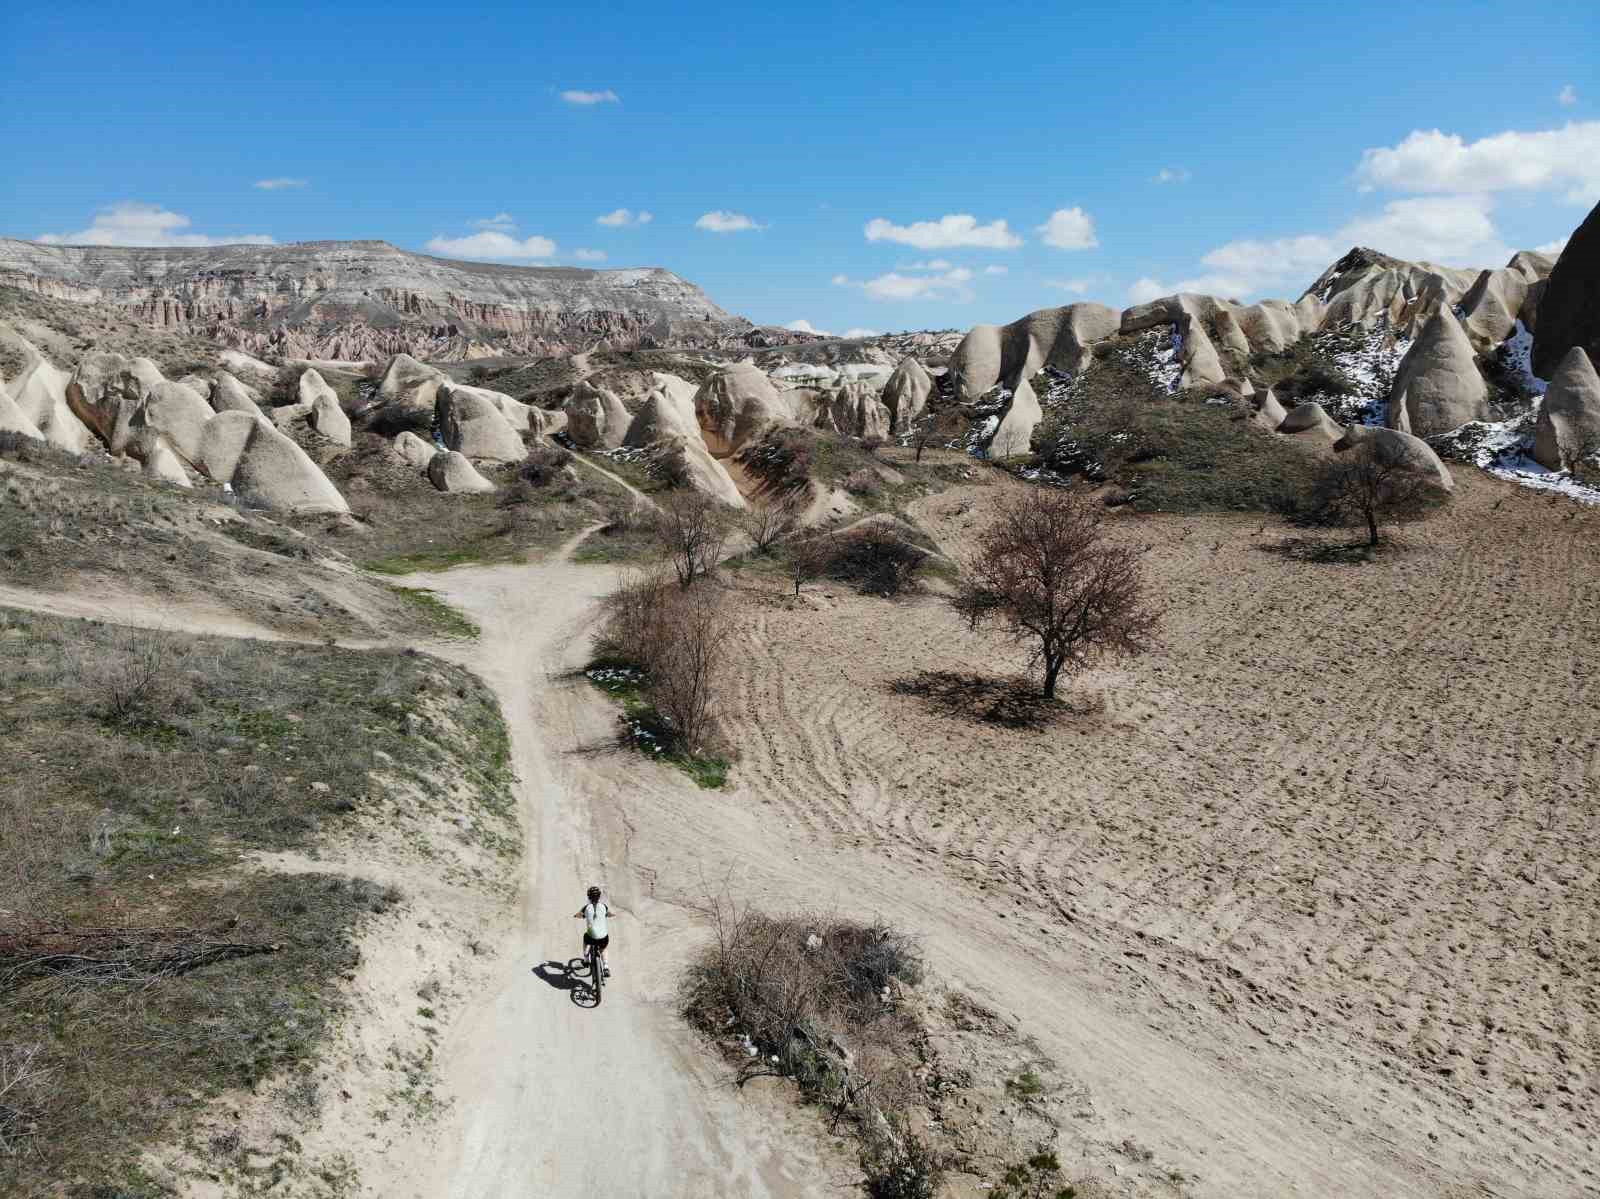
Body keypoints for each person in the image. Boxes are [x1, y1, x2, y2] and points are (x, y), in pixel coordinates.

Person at [575, 885, 619, 978]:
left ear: (589, 897)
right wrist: (612, 914)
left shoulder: (586, 908)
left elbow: (579, 915)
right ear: (599, 896)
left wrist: (577, 916)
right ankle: (606, 967)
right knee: (604, 949)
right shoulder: (604, 906)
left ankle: (586, 960)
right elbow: (610, 914)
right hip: (603, 937)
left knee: (585, 938)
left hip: (591, 937)